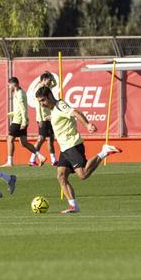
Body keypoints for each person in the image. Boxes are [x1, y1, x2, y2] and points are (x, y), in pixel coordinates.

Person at [35, 83, 119, 214]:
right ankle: (74, 206)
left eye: (43, 100)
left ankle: (104, 151)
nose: (42, 104)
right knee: (61, 176)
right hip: (64, 148)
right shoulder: (54, 109)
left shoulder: (60, 105)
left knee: (83, 175)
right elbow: (61, 117)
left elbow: (76, 113)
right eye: (40, 102)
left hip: (72, 145)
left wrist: (87, 124)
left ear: (50, 96)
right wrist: (51, 117)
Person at [3, 76, 39, 167]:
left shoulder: (19, 93)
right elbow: (20, 108)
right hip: (20, 119)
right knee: (24, 143)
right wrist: (12, 113)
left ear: (13, 84)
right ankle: (40, 156)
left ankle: (10, 162)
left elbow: (23, 109)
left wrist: (24, 121)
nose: (9, 87)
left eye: (9, 85)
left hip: (18, 121)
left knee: (9, 139)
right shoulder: (19, 92)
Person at [30, 71, 58, 165]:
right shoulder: (39, 90)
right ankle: (32, 159)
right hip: (42, 118)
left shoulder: (47, 88)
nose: (50, 82)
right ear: (44, 80)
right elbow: (38, 106)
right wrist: (40, 119)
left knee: (50, 139)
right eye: (48, 80)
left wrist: (51, 75)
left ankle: (53, 160)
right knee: (41, 139)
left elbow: (55, 83)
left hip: (49, 117)